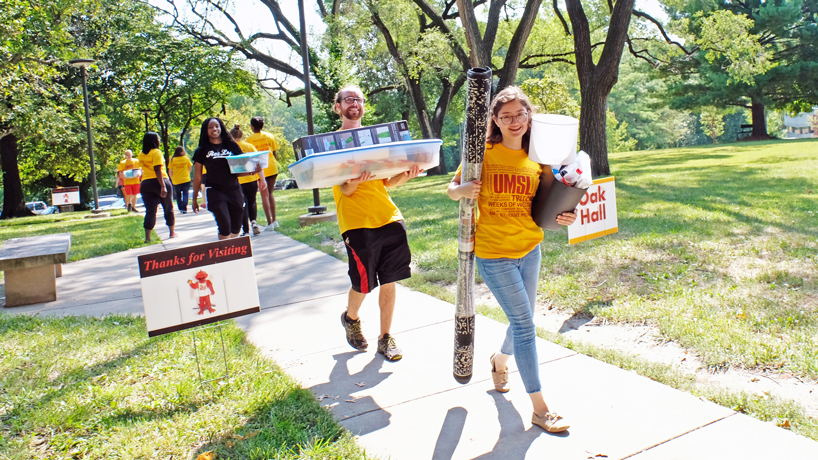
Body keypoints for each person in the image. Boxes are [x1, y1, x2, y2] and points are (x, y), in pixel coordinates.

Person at [446, 86, 577, 433]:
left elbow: (550, 204)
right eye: (506, 116)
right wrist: (462, 191)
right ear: (494, 120)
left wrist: (566, 215)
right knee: (524, 326)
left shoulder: (540, 156)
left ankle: (499, 360)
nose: (515, 121)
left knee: (523, 321)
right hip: (494, 253)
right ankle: (540, 408)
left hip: (530, 248)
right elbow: (451, 187)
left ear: (529, 116)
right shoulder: (482, 153)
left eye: (520, 114)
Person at [333, 84, 422, 362]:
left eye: (358, 99)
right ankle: (351, 318)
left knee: (391, 278)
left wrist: (407, 174)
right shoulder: (331, 144)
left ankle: (385, 338)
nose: (354, 104)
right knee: (363, 283)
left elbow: (387, 181)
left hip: (389, 217)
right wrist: (351, 182)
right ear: (338, 107)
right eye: (348, 100)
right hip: (356, 222)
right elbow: (345, 190)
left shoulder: (374, 141)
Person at [192, 118, 263, 240]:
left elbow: (239, 171)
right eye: (211, 127)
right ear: (205, 130)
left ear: (221, 128)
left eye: (217, 126)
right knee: (224, 227)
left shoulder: (232, 146)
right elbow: (197, 177)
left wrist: (252, 172)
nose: (214, 129)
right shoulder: (201, 150)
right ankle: (226, 254)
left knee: (236, 228)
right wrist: (194, 199)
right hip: (215, 191)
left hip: (234, 190)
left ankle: (232, 249)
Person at [230, 123, 267, 236]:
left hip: (238, 181)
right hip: (251, 179)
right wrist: (262, 179)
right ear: (241, 135)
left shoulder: (231, 148)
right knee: (252, 201)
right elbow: (257, 163)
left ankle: (245, 230)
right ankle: (254, 221)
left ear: (231, 136)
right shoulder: (250, 146)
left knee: (242, 204)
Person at [139, 133, 177, 243]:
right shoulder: (157, 152)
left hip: (146, 183)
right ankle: (172, 232)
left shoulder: (141, 153)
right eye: (158, 138)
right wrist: (163, 186)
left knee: (150, 210)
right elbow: (157, 170)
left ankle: (148, 237)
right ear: (154, 141)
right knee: (168, 207)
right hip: (159, 181)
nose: (160, 140)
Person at [245, 116, 279, 230]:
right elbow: (274, 152)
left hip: (259, 168)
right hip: (272, 166)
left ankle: (269, 222)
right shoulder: (269, 136)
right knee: (270, 194)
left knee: (264, 196)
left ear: (252, 126)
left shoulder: (249, 140)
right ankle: (274, 220)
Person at [169, 146, 193, 214]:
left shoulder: (172, 159)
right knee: (185, 193)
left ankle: (180, 207)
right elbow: (190, 168)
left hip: (177, 180)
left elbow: (170, 170)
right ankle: (184, 207)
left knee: (178, 195)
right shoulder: (186, 158)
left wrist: (172, 178)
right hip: (186, 179)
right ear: (180, 152)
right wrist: (187, 174)